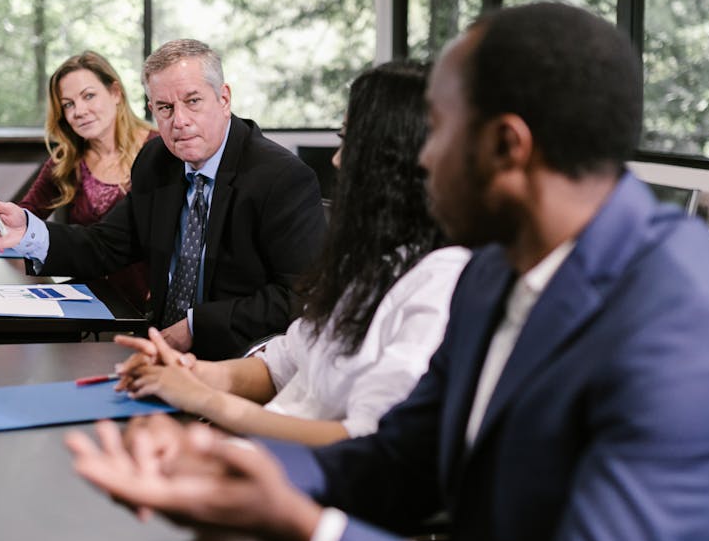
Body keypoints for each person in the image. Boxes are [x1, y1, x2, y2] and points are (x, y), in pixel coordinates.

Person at [64, 2, 709, 541]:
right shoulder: (492, 273)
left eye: (438, 130)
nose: (417, 158)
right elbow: (398, 457)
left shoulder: (689, 336)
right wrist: (229, 469)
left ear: (507, 146)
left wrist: (306, 529)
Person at [114, 61, 470, 446]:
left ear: (399, 159)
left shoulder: (440, 285)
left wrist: (206, 401)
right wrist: (188, 374)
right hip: (259, 444)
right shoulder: (370, 263)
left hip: (297, 465)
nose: (337, 160)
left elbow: (369, 440)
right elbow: (281, 364)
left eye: (349, 141)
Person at [0, 39, 327, 360]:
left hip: (240, 358)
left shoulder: (282, 178)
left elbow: (301, 296)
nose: (179, 120)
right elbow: (107, 244)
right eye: (164, 108)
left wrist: (196, 326)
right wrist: (30, 232)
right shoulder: (158, 161)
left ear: (224, 98)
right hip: (154, 346)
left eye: (193, 101)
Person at [18, 51, 157, 305]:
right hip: (86, 302)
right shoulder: (67, 161)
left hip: (147, 307)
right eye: (68, 104)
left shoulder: (159, 150)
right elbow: (25, 215)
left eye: (89, 96)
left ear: (115, 93)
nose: (79, 111)